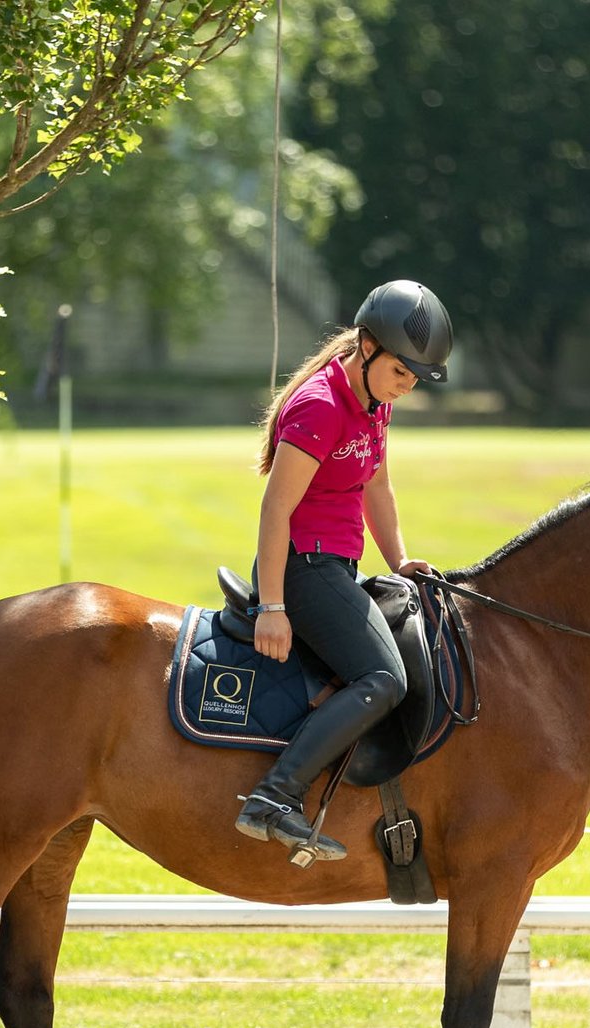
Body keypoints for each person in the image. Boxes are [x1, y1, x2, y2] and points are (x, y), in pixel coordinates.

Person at [234, 280, 454, 862]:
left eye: (414, 379)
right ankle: (273, 798)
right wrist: (273, 607)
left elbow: (376, 485)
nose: (405, 388)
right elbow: (275, 508)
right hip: (302, 568)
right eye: (401, 373)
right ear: (367, 345)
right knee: (384, 679)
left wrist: (399, 559)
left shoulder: (372, 405)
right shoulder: (320, 407)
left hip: (336, 565)